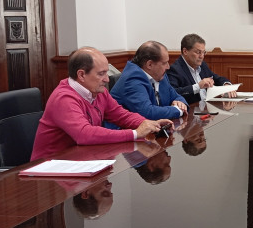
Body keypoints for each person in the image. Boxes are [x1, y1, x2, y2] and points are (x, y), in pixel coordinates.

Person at [31, 47, 170, 161]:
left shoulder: (98, 91)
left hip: (82, 160)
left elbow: (121, 115)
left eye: (106, 73)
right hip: (51, 168)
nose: (107, 79)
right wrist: (135, 133)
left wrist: (151, 124)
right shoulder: (64, 98)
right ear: (81, 75)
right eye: (101, 74)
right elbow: (84, 134)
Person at [112, 41, 188, 120]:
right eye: (164, 63)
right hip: (125, 130)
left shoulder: (160, 75)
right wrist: (178, 110)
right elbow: (147, 113)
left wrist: (181, 103)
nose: (168, 67)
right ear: (149, 64)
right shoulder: (131, 80)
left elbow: (176, 96)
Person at [167, 33, 233, 103]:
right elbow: (173, 93)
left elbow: (217, 78)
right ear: (185, 51)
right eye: (198, 52)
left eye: (203, 52)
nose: (202, 56)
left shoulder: (202, 65)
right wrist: (198, 86)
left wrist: (226, 85)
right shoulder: (175, 69)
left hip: (207, 108)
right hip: (191, 111)